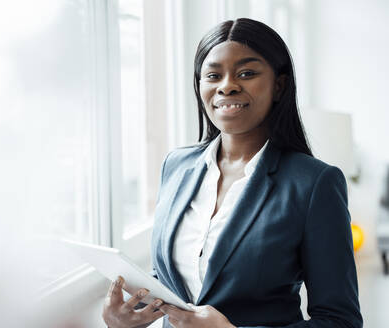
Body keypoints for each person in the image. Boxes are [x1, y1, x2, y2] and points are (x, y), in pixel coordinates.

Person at [102, 18, 363, 328]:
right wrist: (128, 314)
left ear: (279, 85)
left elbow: (340, 321)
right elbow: (180, 275)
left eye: (247, 73)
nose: (227, 85)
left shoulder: (314, 183)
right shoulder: (177, 165)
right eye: (213, 75)